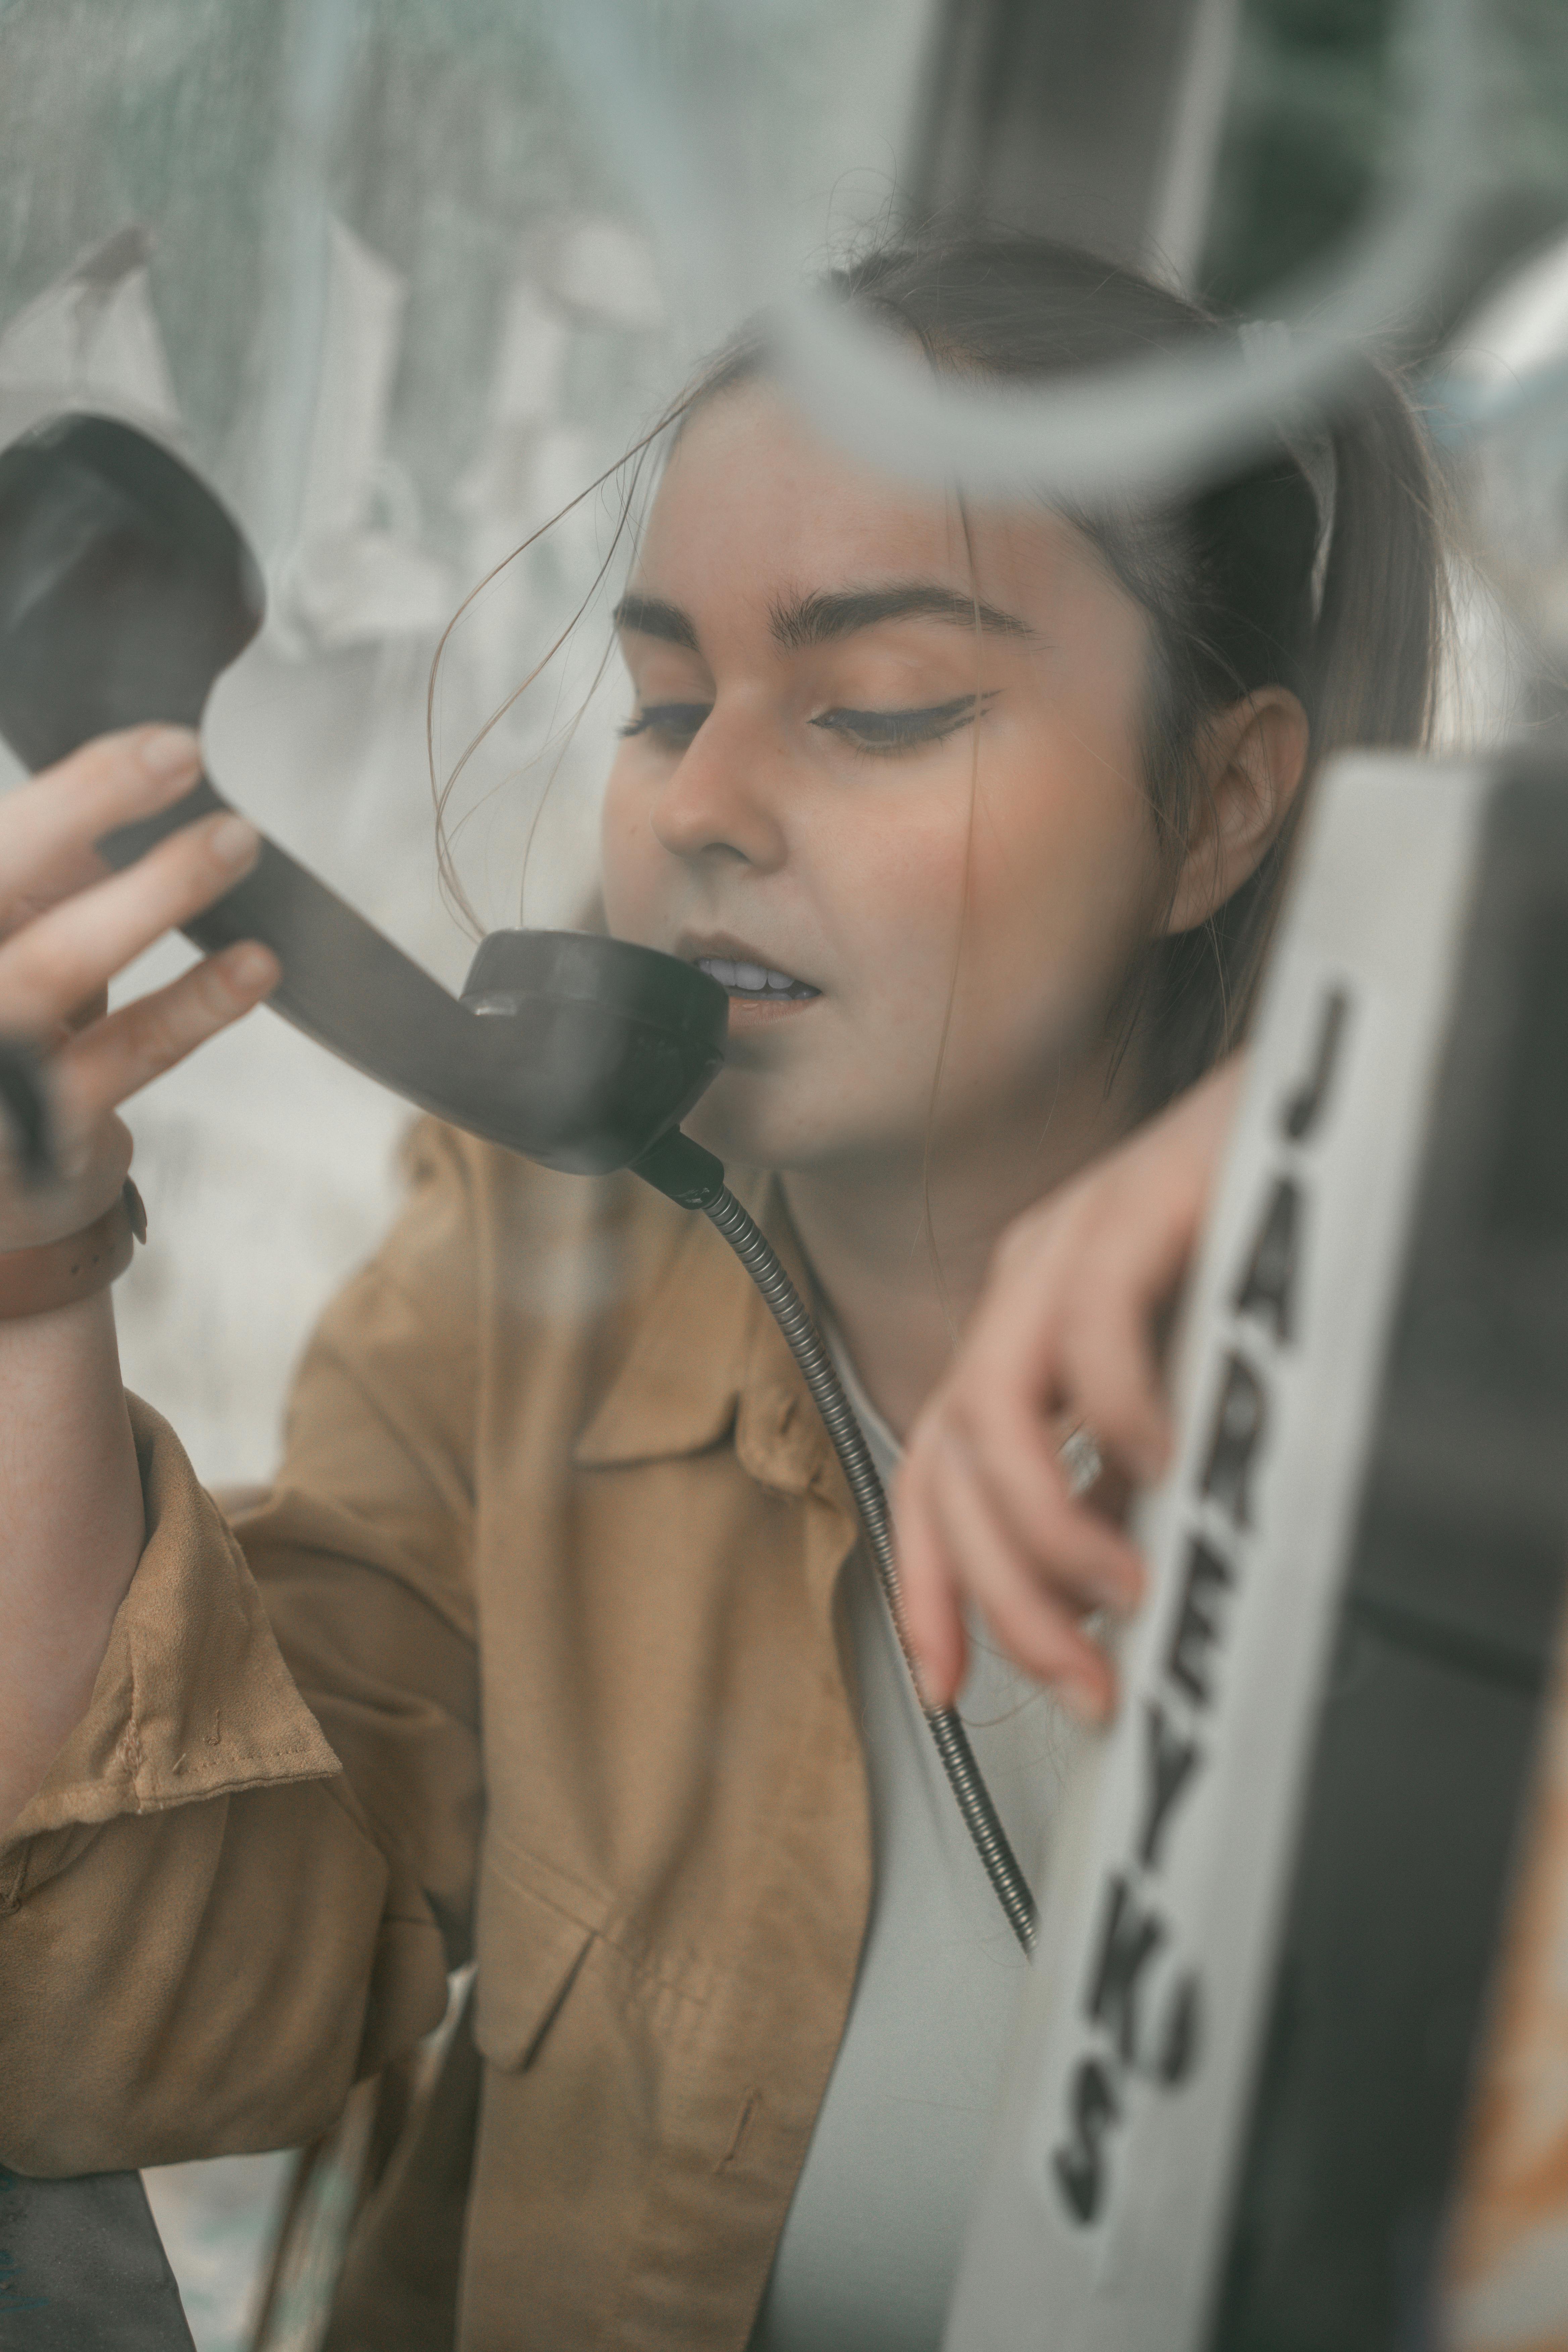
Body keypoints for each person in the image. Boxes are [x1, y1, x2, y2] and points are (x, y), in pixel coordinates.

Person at [0, 232, 1444, 2352]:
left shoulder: (1473, 1377)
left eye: (880, 711)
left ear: (1218, 810)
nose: (699, 802)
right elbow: (143, 2026)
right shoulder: (533, 1265)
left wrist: (1412, 1141)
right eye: (666, 702)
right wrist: (34, 1290)